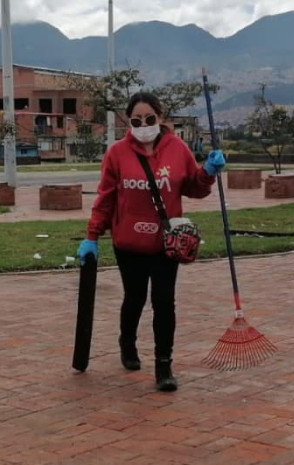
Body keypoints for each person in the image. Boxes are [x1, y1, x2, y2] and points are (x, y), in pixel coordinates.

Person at [77, 92, 225, 392]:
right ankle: (127, 343)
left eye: (149, 119)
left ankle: (163, 365)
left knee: (164, 302)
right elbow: (105, 198)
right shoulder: (117, 153)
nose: (143, 124)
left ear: (160, 117)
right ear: (128, 122)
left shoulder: (178, 149)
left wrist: (208, 172)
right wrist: (92, 236)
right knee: (135, 297)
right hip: (128, 244)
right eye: (136, 120)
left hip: (166, 244)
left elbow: (193, 188)